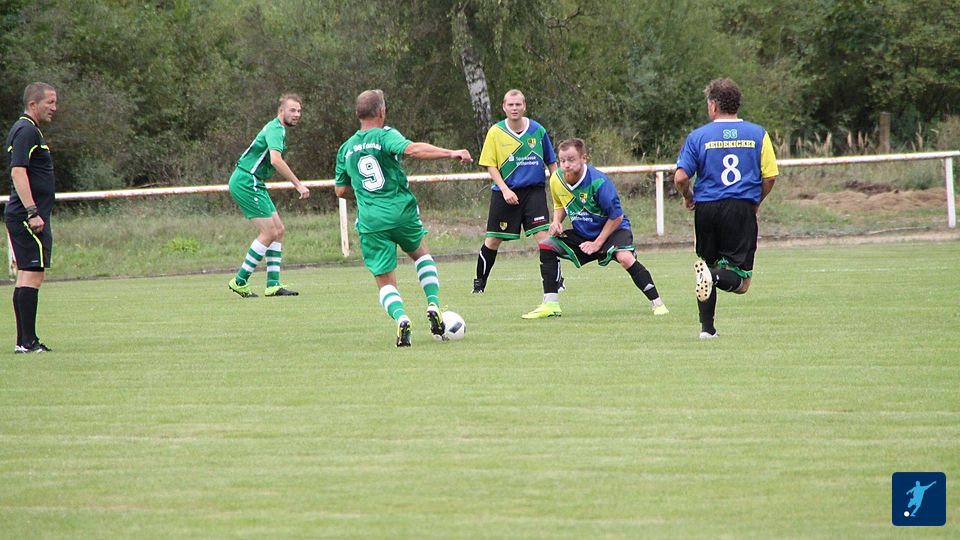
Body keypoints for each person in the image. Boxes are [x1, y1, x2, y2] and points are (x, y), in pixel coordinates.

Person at [335, 89, 473, 347]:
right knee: (421, 254)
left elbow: (340, 190)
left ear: (357, 114)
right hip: (401, 212)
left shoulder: (346, 148)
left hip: (371, 220)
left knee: (385, 280)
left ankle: (401, 318)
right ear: (381, 111)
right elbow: (413, 150)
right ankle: (433, 303)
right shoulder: (385, 135)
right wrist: (450, 152)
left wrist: (365, 194)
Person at [674, 78, 779, 340]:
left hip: (707, 209)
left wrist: (688, 197)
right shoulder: (758, 134)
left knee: (708, 267)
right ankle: (713, 278)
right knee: (741, 282)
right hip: (739, 208)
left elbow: (680, 177)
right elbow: (770, 176)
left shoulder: (698, 137)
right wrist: (755, 201)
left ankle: (707, 330)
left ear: (713, 105)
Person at [522, 138, 668, 319]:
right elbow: (560, 204)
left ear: (584, 158)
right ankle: (550, 304)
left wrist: (598, 243)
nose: (566, 165)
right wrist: (556, 222)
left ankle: (658, 303)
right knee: (547, 245)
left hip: (614, 230)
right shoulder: (556, 179)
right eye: (562, 160)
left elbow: (617, 216)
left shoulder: (599, 182)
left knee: (625, 258)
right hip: (584, 233)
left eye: (571, 159)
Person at [472, 89, 563, 294]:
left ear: (524, 106)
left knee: (544, 238)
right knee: (493, 240)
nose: (514, 108)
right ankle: (479, 285)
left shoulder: (538, 130)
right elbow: (490, 165)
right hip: (505, 193)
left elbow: (551, 163)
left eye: (518, 104)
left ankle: (556, 282)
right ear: (504, 107)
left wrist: (559, 189)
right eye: (510, 105)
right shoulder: (495, 132)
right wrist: (505, 190)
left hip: (534, 193)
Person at [227, 94, 310, 298]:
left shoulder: (277, 128)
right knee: (269, 232)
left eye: (299, 111)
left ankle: (273, 285)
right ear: (281, 111)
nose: (297, 114)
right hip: (247, 181)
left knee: (278, 230)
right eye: (292, 110)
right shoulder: (275, 129)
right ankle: (240, 281)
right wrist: (298, 184)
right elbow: (275, 160)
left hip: (253, 181)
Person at [5, 82, 58, 353]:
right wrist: (32, 211)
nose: (54, 107)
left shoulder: (29, 130)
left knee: (27, 275)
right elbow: (18, 172)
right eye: (50, 102)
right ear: (33, 104)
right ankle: (27, 342)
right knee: (33, 275)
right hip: (28, 217)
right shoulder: (26, 130)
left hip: (26, 216)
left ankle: (24, 341)